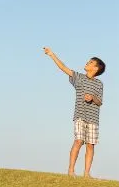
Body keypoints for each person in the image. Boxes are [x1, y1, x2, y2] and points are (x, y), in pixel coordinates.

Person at [43, 48, 106, 177]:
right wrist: (52, 55)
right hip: (80, 115)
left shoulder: (99, 84)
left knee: (90, 145)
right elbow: (63, 68)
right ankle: (71, 171)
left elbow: (100, 102)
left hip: (93, 118)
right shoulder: (78, 77)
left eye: (90, 63)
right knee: (78, 141)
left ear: (95, 68)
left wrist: (93, 98)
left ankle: (86, 174)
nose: (87, 63)